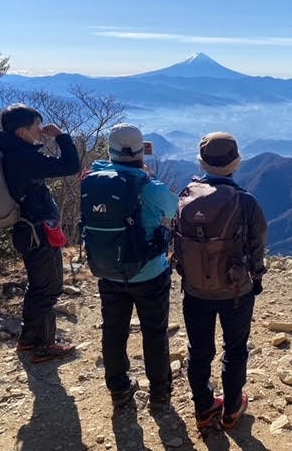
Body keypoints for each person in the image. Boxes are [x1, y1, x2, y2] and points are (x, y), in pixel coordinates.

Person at [175, 132, 267, 430]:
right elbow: (257, 246)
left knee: (199, 350)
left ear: (202, 163)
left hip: (195, 290)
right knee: (235, 348)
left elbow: (177, 242)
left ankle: (203, 408)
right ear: (235, 163)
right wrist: (256, 278)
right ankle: (231, 407)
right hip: (235, 291)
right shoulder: (245, 201)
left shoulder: (186, 195)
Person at [85, 124, 179, 410]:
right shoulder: (149, 187)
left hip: (107, 269)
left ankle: (119, 390)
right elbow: (175, 210)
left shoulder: (93, 179)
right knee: (154, 331)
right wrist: (144, 173)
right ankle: (160, 393)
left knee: (113, 330)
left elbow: (106, 166)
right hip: (148, 272)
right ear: (141, 152)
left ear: (109, 150)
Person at [0, 103, 81, 363]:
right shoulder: (24, 157)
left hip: (27, 230)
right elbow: (70, 165)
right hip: (37, 231)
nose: (40, 131)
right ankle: (43, 346)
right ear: (21, 132)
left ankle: (29, 339)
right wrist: (62, 137)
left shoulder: (12, 152)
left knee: (38, 286)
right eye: (35, 127)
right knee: (48, 288)